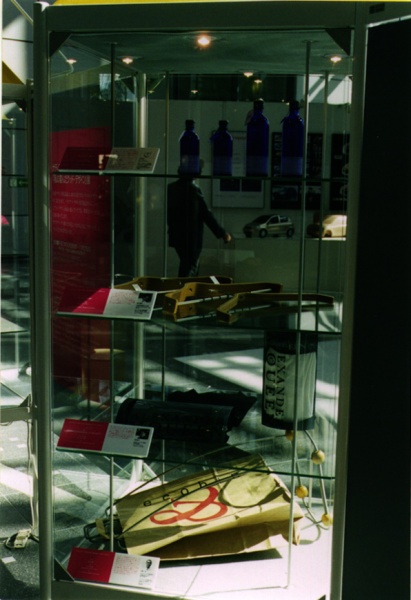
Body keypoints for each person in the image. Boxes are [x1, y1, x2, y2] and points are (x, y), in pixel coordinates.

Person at [167, 171, 232, 277]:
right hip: (191, 238)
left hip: (177, 236)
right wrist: (222, 233)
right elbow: (206, 214)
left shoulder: (171, 188)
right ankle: (185, 288)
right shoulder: (194, 190)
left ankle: (182, 286)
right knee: (190, 270)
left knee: (186, 266)